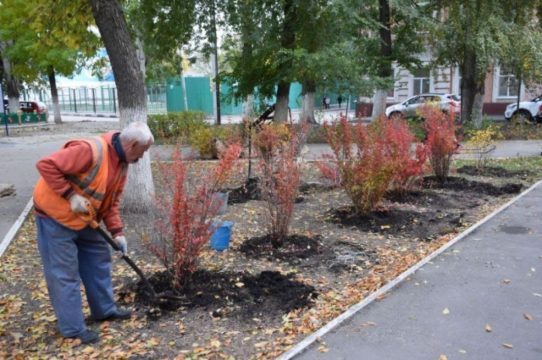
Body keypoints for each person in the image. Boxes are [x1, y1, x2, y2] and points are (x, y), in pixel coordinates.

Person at [33, 121, 154, 344]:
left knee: (99, 259)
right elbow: (45, 164)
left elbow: (111, 202)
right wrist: (70, 196)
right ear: (133, 144)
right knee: (64, 274)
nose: (143, 157)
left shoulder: (122, 162)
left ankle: (104, 310)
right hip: (54, 217)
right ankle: (73, 329)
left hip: (86, 218)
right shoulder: (89, 150)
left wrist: (118, 233)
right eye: (143, 151)